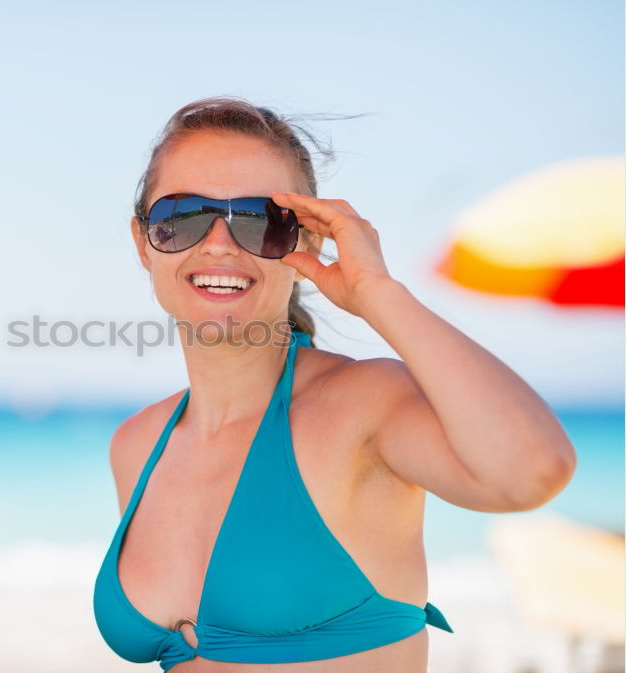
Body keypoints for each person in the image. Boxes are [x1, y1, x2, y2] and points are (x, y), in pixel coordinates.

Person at [92, 96, 577, 672]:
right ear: (143, 240)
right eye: (183, 215)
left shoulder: (365, 407)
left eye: (258, 219)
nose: (219, 243)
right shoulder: (136, 444)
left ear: (305, 241)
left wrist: (378, 294)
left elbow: (530, 471)